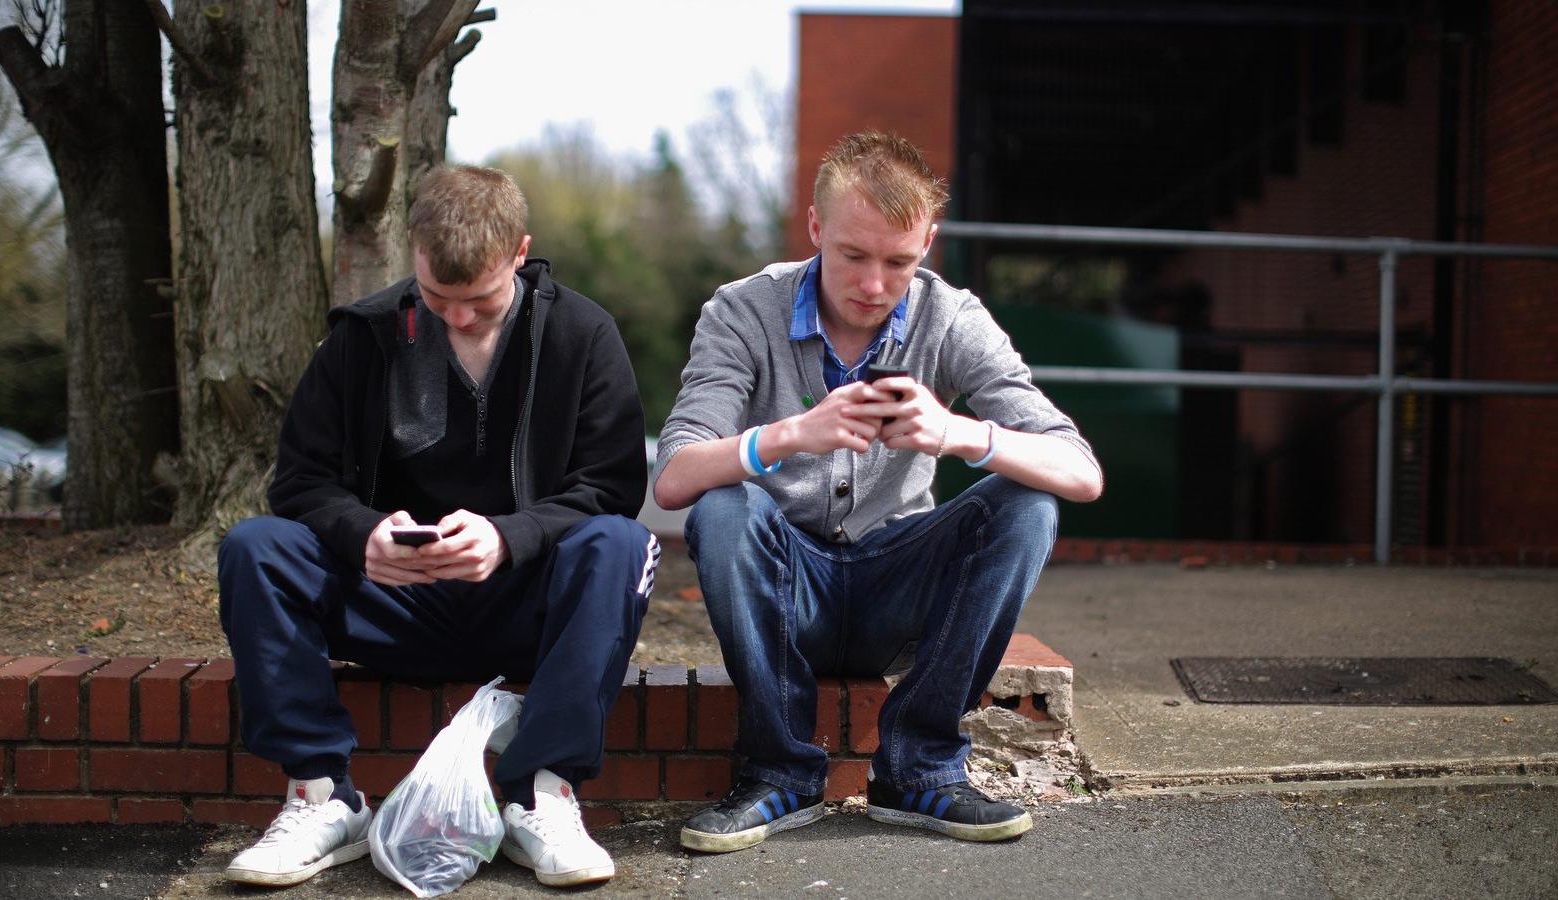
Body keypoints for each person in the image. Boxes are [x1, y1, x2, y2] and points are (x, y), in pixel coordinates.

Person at [654, 131, 1102, 853]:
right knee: (724, 504)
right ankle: (777, 773)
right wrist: (792, 435)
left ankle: (919, 768)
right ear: (814, 228)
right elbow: (674, 478)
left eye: (900, 261)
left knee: (1027, 503)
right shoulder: (742, 311)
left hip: (900, 585)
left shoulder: (951, 316)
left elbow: (1082, 472)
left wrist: (958, 434)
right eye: (852, 256)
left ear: (929, 240)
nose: (873, 284)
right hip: (785, 581)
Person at [217, 165, 657, 889]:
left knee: (620, 544)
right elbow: (299, 485)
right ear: (412, 253)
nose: (458, 317)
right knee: (255, 548)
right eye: (436, 297)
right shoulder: (363, 337)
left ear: (520, 252)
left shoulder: (582, 334)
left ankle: (541, 796)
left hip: (525, 603)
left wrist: (511, 536)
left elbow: (611, 486)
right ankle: (321, 797)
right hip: (391, 600)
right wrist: (362, 534)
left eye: (479, 299)